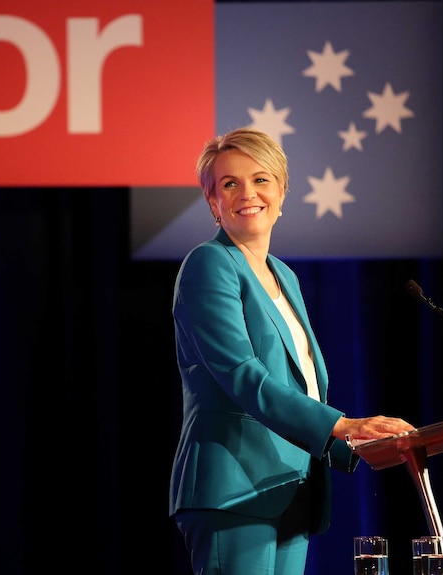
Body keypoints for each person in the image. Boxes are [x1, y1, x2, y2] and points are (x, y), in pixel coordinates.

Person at [168, 128, 415, 575]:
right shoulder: (209, 264)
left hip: (288, 485)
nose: (248, 193)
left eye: (261, 180)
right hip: (234, 489)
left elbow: (300, 385)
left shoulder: (284, 276)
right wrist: (341, 425)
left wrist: (357, 443)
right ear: (212, 203)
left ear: (282, 193)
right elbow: (243, 375)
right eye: (230, 184)